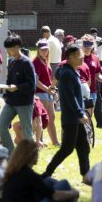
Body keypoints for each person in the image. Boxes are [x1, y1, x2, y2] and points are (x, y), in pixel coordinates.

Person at [42, 44, 91, 178]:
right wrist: (80, 113)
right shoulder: (67, 74)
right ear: (70, 58)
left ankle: (86, 175)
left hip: (76, 118)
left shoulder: (72, 72)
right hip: (71, 118)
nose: (82, 58)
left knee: (84, 147)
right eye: (78, 56)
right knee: (67, 149)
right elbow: (69, 97)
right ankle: (47, 173)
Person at [2, 139, 82, 202]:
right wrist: (73, 193)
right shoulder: (28, 174)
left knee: (49, 181)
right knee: (63, 184)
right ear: (32, 155)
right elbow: (54, 195)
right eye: (37, 152)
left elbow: (41, 180)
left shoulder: (15, 171)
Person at [0, 34, 36, 153]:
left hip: (24, 103)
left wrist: (17, 87)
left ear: (17, 46)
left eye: (9, 48)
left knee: (27, 131)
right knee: (1, 126)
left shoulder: (26, 62)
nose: (7, 51)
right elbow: (9, 81)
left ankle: (30, 158)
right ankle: (12, 154)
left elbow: (31, 85)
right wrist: (5, 92)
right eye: (6, 49)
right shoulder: (12, 62)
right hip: (11, 102)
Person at [33, 40, 59, 146]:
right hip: (40, 93)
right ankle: (40, 141)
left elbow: (47, 79)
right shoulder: (36, 62)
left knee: (51, 117)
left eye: (46, 49)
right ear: (38, 50)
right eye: (42, 49)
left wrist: (52, 88)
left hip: (48, 93)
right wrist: (46, 89)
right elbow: (36, 81)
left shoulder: (45, 61)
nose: (45, 51)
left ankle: (55, 142)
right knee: (42, 118)